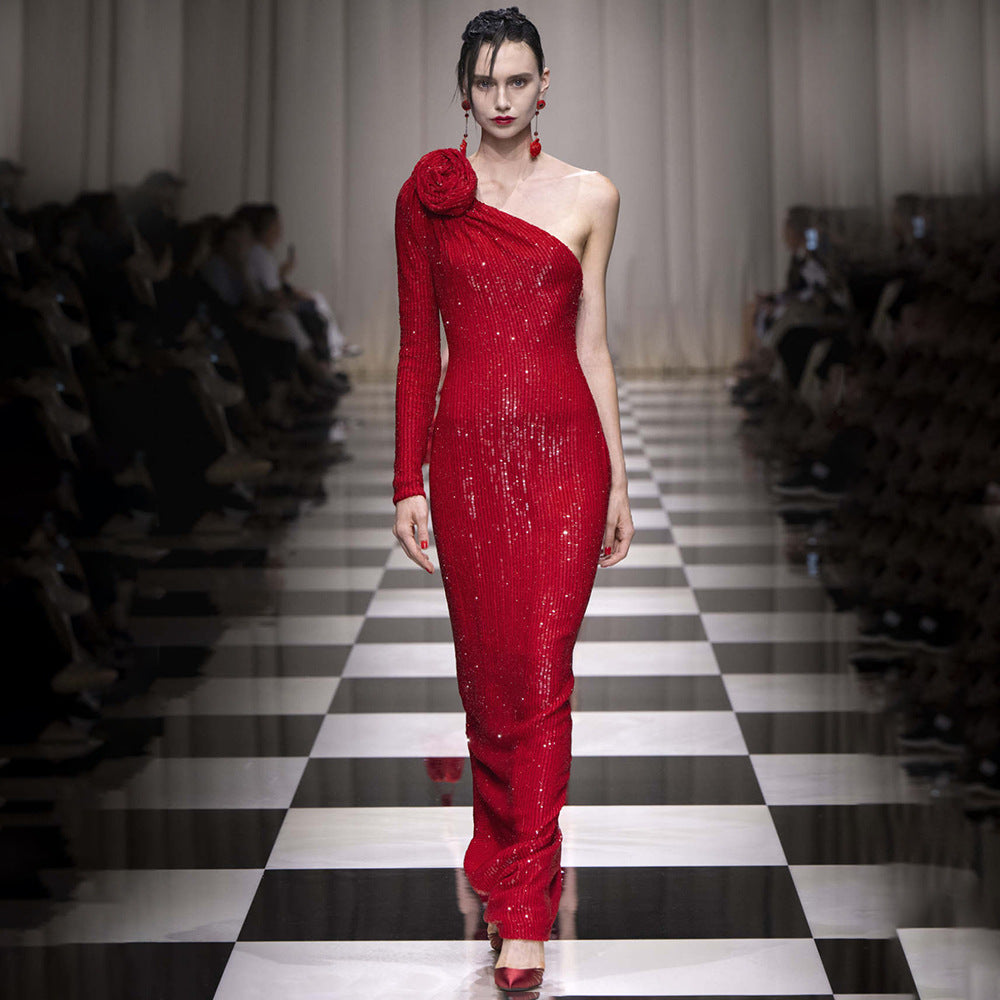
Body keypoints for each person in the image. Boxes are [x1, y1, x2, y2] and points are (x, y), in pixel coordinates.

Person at [391, 6, 633, 992]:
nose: (501, 98)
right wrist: (404, 476)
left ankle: (523, 906)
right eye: (485, 81)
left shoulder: (591, 193)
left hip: (565, 454)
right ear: (464, 90)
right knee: (488, 676)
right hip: (466, 462)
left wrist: (616, 479)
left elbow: (593, 345)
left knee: (541, 669)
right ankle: (502, 843)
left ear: (544, 86)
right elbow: (415, 344)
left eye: (517, 80)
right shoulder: (427, 195)